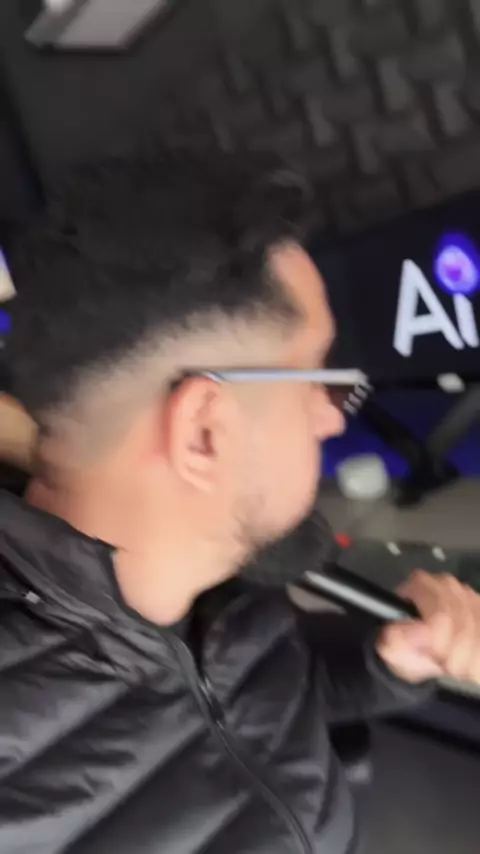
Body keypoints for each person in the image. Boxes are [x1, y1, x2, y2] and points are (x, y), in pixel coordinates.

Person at [0, 148, 479, 854]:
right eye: (320, 377)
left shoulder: (233, 590)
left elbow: (238, 701)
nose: (334, 417)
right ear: (205, 431)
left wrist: (385, 664)